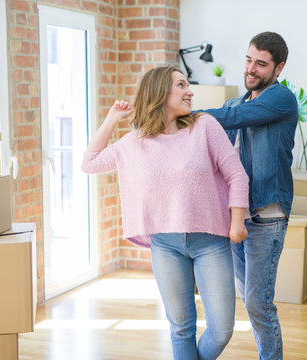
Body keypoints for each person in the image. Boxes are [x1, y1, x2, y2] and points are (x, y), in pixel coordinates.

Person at [81, 66, 249, 360]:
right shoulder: (136, 141)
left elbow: (237, 175)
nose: (190, 91)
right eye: (182, 85)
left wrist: (237, 224)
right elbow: (90, 163)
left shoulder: (204, 127)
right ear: (160, 92)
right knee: (181, 328)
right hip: (165, 245)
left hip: (211, 241)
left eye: (188, 85)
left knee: (222, 329)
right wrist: (111, 119)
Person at [199, 32, 298, 360]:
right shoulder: (233, 104)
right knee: (251, 299)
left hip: (267, 216)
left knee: (258, 303)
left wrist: (184, 114)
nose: (251, 68)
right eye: (248, 59)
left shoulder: (281, 99)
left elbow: (236, 119)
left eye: (261, 63)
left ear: (278, 68)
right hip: (237, 218)